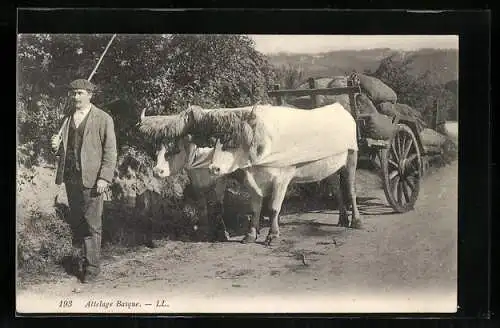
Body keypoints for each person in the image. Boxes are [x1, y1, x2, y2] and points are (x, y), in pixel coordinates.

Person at [51, 79, 117, 283]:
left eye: (80, 93)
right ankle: (81, 261)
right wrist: (55, 147)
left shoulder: (103, 118)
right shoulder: (66, 118)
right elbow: (64, 150)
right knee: (78, 222)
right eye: (73, 94)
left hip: (93, 180)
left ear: (90, 95)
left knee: (92, 224)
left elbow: (110, 151)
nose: (76, 97)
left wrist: (104, 177)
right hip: (71, 178)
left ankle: (92, 268)